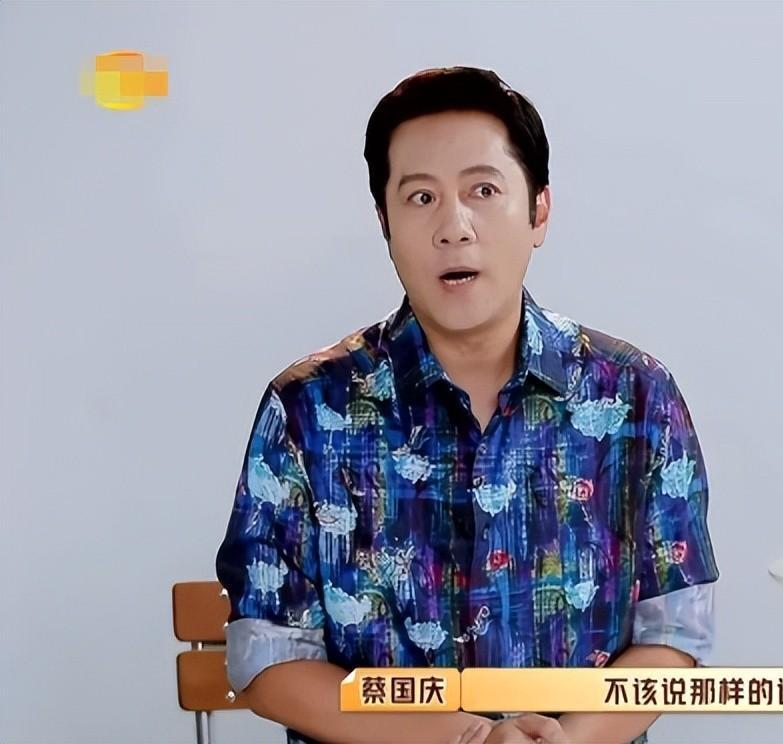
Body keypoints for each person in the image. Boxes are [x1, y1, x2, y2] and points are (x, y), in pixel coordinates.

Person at [215, 66, 719, 744]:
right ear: (384, 222)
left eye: (483, 190)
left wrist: (568, 740)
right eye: (421, 198)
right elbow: (268, 659)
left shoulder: (634, 396)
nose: (454, 226)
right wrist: (463, 738)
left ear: (539, 210)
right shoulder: (307, 410)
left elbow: (675, 633)